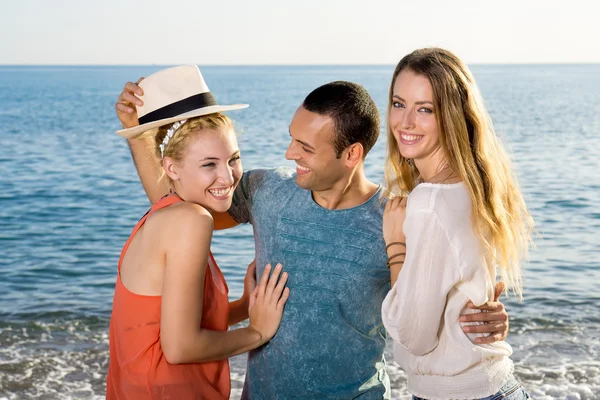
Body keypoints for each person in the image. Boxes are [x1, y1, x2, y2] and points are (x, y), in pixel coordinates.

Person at [117, 74, 512, 399]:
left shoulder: (397, 218)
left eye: (305, 147)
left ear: (351, 155)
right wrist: (139, 136)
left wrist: (483, 315)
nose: (290, 154)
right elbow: (180, 203)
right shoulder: (266, 191)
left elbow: (423, 312)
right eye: (292, 138)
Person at [107, 65, 290, 399]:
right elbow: (180, 347)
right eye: (209, 164)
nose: (228, 176)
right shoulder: (192, 220)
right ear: (171, 167)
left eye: (233, 159)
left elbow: (169, 320)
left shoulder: (168, 213)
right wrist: (257, 331)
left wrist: (245, 305)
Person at [381, 47, 533, 399]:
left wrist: (396, 247)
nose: (405, 122)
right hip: (498, 386)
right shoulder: (473, 185)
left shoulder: (429, 201)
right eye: (399, 103)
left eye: (425, 109)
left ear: (452, 116)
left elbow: (414, 335)